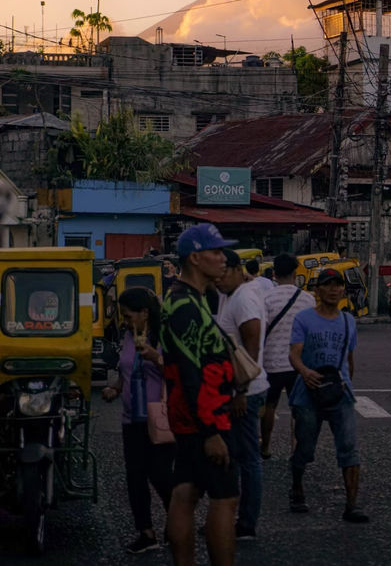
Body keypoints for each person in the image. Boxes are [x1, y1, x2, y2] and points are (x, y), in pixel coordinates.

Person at [160, 223, 239, 566]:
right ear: (195, 257)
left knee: (186, 490)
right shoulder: (185, 306)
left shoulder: (192, 298)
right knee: (225, 497)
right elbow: (192, 374)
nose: (223, 259)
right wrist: (211, 433)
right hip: (204, 416)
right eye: (216, 252)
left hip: (194, 413)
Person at [288, 267, 368, 523]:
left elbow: (350, 359)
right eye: (328, 284)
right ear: (317, 290)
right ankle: (297, 488)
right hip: (308, 393)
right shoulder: (303, 319)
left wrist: (346, 386)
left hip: (340, 394)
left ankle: (352, 505)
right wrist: (304, 372)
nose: (335, 289)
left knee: (349, 448)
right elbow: (294, 354)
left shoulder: (349, 320)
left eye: (338, 284)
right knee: (305, 448)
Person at [102, 286, 175, 555]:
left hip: (159, 416)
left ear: (145, 313)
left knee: (160, 474)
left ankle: (176, 520)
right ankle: (146, 532)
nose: (125, 320)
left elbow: (179, 371)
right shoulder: (129, 336)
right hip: (131, 418)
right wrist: (116, 388)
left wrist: (156, 357)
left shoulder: (163, 335)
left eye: (128, 314)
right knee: (135, 477)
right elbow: (127, 369)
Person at [215, 248, 269, 542]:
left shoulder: (245, 298)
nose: (218, 279)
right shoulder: (232, 293)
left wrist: (241, 391)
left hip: (246, 391)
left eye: (223, 273)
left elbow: (252, 348)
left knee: (248, 459)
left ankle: (246, 524)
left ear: (236, 270)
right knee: (234, 457)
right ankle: (228, 517)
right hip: (235, 389)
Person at [260, 253, 315, 459]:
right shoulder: (308, 299)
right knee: (297, 408)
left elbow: (262, 331)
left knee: (269, 406)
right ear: (295, 272)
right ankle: (295, 448)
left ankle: (265, 447)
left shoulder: (266, 299)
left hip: (272, 363)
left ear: (274, 274)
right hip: (298, 365)